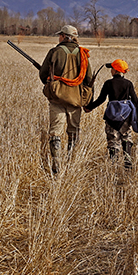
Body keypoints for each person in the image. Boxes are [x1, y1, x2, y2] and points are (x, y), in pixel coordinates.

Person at [39, 25, 95, 174]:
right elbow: (89, 80)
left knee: (55, 132)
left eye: (60, 35)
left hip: (57, 98)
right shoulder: (83, 54)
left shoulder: (55, 52)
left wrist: (51, 83)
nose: (59, 38)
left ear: (64, 36)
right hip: (76, 99)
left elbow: (42, 74)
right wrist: (88, 102)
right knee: (73, 131)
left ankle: (56, 162)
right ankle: (71, 161)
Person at [84, 58, 138, 169]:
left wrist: (89, 108)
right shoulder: (128, 84)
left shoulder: (108, 83)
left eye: (112, 69)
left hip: (112, 116)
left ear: (115, 70)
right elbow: (135, 100)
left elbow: (101, 99)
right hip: (126, 115)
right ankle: (127, 160)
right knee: (126, 137)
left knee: (113, 139)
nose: (111, 70)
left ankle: (113, 163)